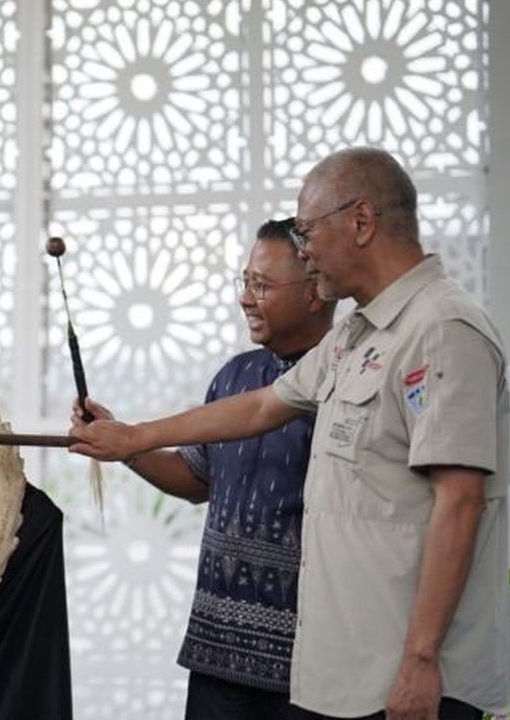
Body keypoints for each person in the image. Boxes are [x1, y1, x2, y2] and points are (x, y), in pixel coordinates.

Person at [70, 147, 510, 720]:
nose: (305, 250)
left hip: (416, 679)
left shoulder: (442, 329)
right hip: (352, 672)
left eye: (308, 231)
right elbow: (262, 405)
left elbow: (461, 501)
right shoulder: (359, 333)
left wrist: (421, 658)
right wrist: (132, 437)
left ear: (360, 222)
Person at [82, 218, 334, 719]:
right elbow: (196, 481)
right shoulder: (235, 375)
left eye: (261, 285)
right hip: (215, 653)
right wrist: (124, 443)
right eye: (244, 281)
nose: (245, 297)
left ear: (315, 293)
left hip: (309, 666)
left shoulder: (341, 382)